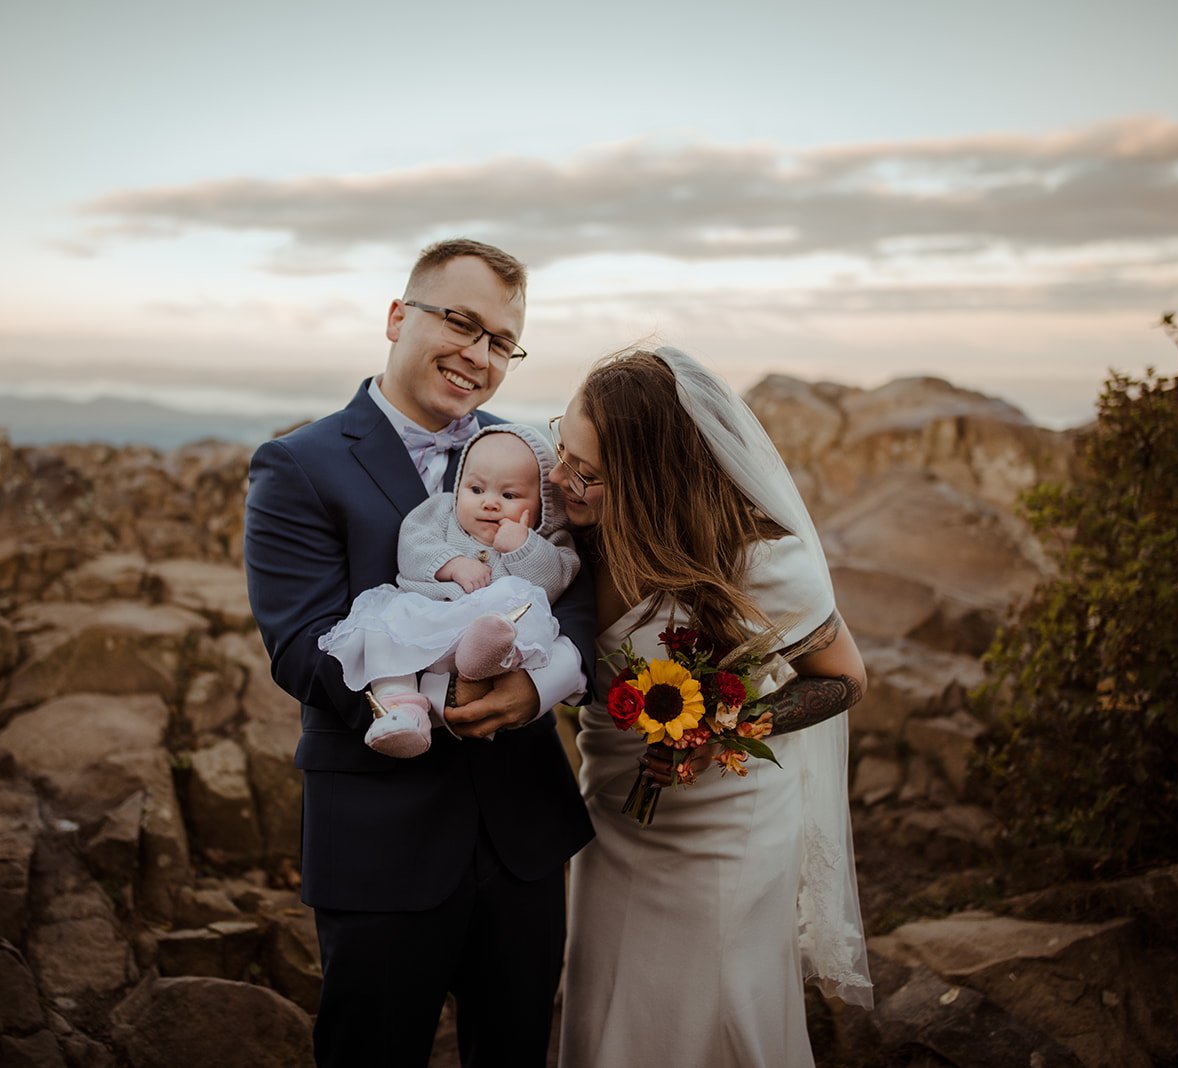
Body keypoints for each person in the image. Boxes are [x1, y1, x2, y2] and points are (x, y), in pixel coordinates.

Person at [243, 238, 595, 1068]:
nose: (479, 355)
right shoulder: (299, 464)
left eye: (501, 341)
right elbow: (299, 646)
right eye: (461, 324)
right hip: (380, 832)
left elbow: (581, 591)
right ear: (399, 317)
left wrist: (536, 689)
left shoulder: (534, 459)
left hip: (522, 828)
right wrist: (438, 686)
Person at [551, 346, 873, 1068]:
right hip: (611, 816)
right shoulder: (570, 530)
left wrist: (729, 726)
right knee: (607, 1002)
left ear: (649, 483)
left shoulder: (757, 559)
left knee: (716, 1010)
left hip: (725, 828)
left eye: (587, 471)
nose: (558, 477)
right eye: (560, 446)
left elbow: (845, 678)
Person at [317, 423, 580, 758]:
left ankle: (484, 656)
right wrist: (451, 564)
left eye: (509, 495)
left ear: (544, 504)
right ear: (459, 487)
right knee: (382, 626)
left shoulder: (550, 541)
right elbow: (413, 544)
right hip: (429, 620)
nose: (489, 504)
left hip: (488, 636)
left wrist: (523, 546)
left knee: (520, 600)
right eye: (476, 489)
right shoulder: (441, 512)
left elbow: (555, 582)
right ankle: (402, 710)